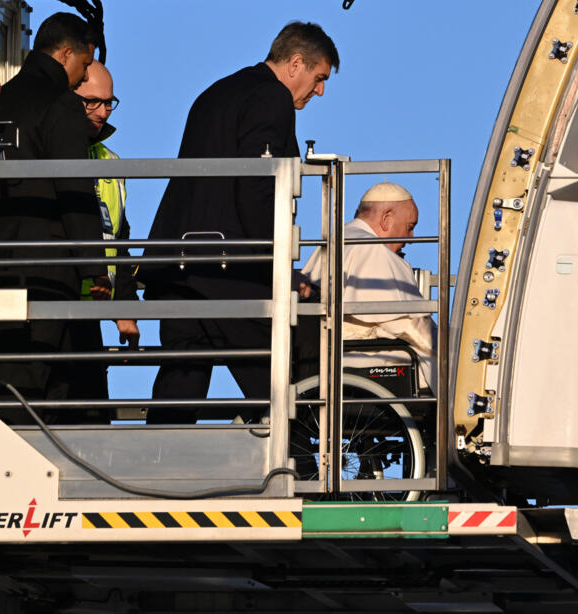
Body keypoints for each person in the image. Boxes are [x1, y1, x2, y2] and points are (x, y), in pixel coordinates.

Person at [144, 21, 339, 422]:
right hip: (226, 268)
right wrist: (280, 265)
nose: (320, 90)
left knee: (181, 383)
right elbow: (257, 187)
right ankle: (299, 470)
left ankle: (155, 471)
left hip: (178, 263)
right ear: (296, 63)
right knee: (278, 384)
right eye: (318, 78)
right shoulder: (272, 98)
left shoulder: (216, 92)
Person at [0, 11, 109, 411]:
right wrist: (94, 268)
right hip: (49, 267)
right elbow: (73, 188)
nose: (82, 74)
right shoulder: (61, 104)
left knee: (9, 377)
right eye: (85, 64)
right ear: (67, 55)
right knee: (50, 383)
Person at [300, 182, 437, 391]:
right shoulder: (372, 250)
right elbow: (409, 325)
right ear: (386, 219)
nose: (411, 239)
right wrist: (449, 348)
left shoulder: (335, 241)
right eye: (410, 227)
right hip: (363, 359)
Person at [70, 59, 140, 400]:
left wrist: (125, 308)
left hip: (91, 315)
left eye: (109, 102)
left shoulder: (111, 163)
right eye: (92, 101)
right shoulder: (51, 153)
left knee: (92, 418)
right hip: (52, 305)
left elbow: (120, 241)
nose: (104, 111)